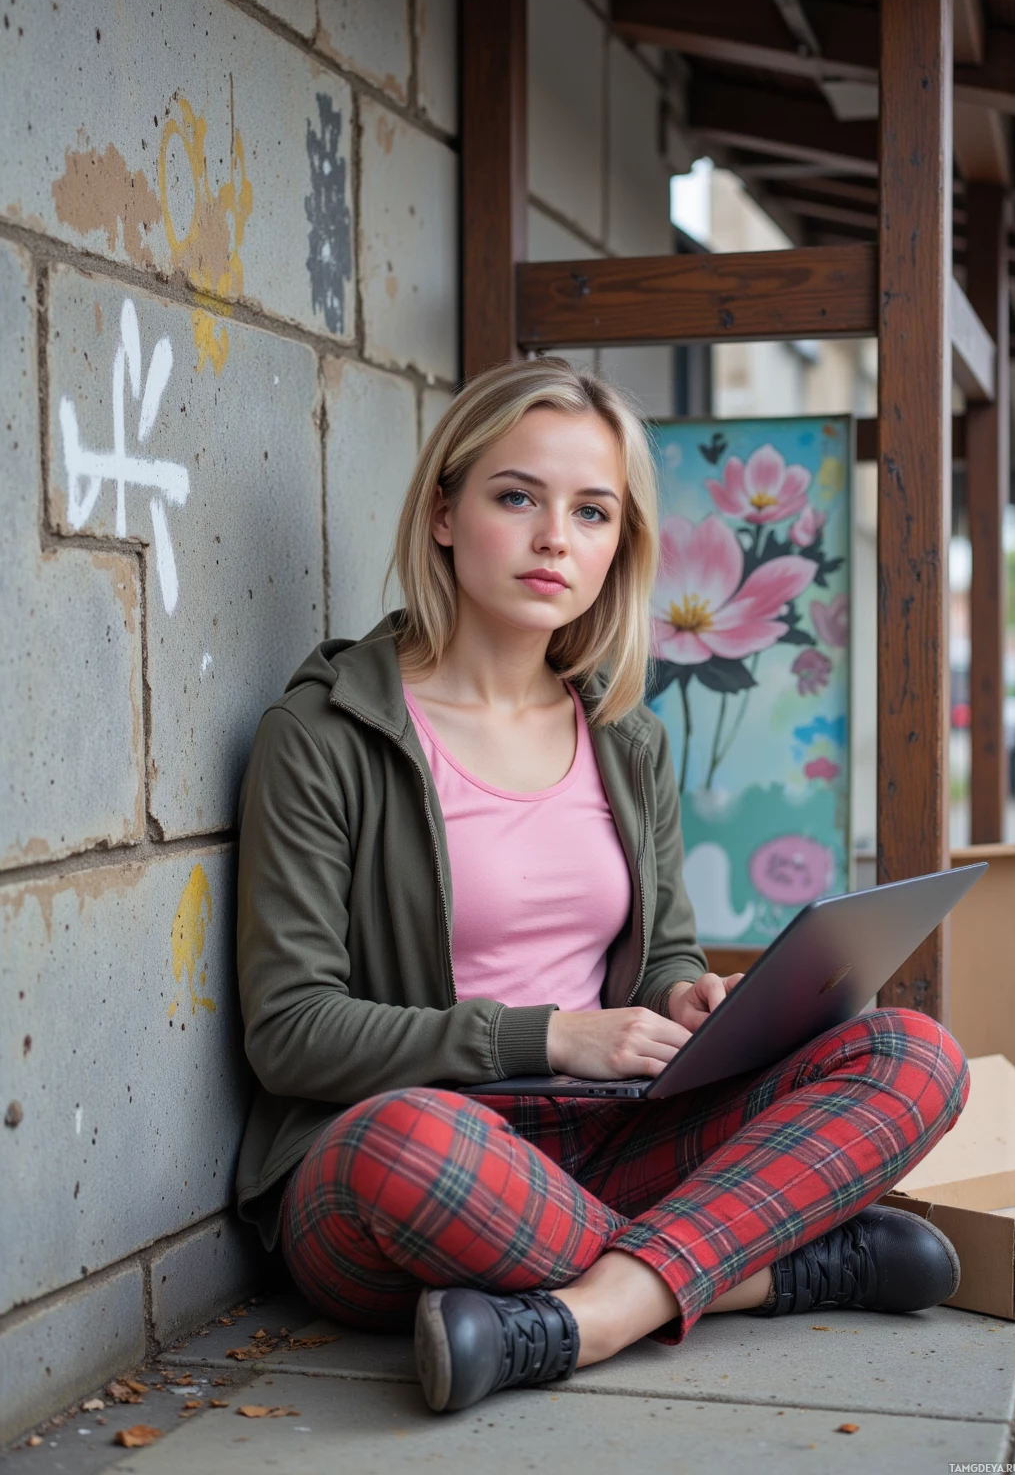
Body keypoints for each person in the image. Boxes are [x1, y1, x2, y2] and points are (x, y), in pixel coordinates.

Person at [234, 358, 968, 1416]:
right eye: (516, 497)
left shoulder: (624, 737)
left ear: (618, 544)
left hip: (610, 1135)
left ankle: (586, 1317)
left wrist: (682, 999)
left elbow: (664, 950)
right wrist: (549, 1036)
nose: (554, 539)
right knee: (404, 1147)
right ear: (443, 513)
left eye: (591, 511)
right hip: (417, 1157)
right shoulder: (324, 734)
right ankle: (773, 1269)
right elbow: (292, 1032)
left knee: (913, 1053)